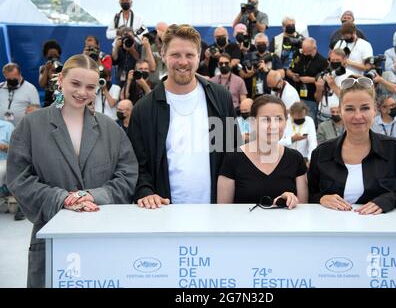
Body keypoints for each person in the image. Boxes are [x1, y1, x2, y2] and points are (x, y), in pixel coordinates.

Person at [6, 54, 139, 288]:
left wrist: (93, 196)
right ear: (61, 80)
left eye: (90, 86)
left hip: (101, 237)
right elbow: (19, 178)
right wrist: (61, 199)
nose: (82, 92)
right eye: (75, 84)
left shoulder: (110, 129)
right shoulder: (31, 125)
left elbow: (127, 174)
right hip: (51, 236)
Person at [127, 24, 240, 209]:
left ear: (199, 56)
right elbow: (137, 165)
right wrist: (145, 192)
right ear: (163, 55)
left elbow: (232, 152)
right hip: (165, 213)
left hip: (216, 212)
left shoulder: (220, 98)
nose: (183, 62)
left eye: (189, 55)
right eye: (175, 55)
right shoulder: (143, 109)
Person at [308, 76, 396, 214]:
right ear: (340, 111)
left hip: (382, 231)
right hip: (333, 232)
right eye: (349, 109)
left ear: (375, 111)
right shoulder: (321, 153)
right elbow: (309, 196)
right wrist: (321, 198)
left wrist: (390, 199)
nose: (358, 116)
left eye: (365, 108)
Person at [217, 95, 307, 206]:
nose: (273, 126)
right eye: (265, 119)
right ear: (253, 122)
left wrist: (292, 200)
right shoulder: (233, 158)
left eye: (279, 119)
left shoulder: (295, 159)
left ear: (286, 121)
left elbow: (303, 210)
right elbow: (222, 211)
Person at [287, 37, 328, 120]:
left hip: (311, 98)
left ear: (314, 48)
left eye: (307, 51)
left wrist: (311, 80)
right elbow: (289, 70)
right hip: (297, 96)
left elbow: (326, 79)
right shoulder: (299, 56)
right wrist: (293, 76)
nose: (305, 54)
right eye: (303, 51)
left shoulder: (323, 61)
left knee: (309, 121)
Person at [314, 48, 352, 123]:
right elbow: (317, 99)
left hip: (340, 117)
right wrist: (319, 88)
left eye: (337, 60)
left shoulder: (350, 75)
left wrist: (332, 85)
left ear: (344, 59)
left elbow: (348, 99)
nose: (335, 62)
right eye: (332, 60)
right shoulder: (326, 73)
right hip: (322, 115)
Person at [280, 101, 317, 166]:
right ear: (291, 114)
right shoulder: (285, 121)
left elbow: (313, 142)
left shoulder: (309, 121)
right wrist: (292, 139)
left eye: (302, 116)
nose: (300, 118)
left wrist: (311, 158)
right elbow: (278, 142)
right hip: (286, 157)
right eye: (298, 116)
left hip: (303, 158)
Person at [39, 40, 62, 107]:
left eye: (55, 55)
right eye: (50, 56)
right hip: (48, 99)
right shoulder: (43, 68)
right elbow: (42, 84)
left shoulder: (63, 68)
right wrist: (46, 70)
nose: (53, 58)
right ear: (46, 56)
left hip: (60, 96)